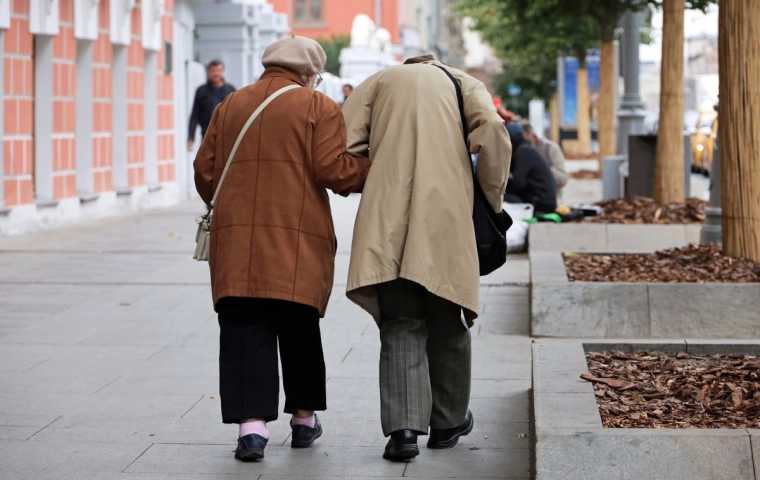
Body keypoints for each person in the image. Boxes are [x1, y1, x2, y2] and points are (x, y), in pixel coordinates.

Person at [193, 36, 371, 462]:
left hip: (236, 243)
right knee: (299, 326)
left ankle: (252, 430)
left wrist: (234, 201)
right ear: (311, 74)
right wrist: (373, 165)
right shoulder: (318, 106)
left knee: (243, 330)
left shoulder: (230, 104)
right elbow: (335, 171)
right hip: (297, 238)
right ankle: (304, 420)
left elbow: (205, 172)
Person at [342, 54, 511, 460]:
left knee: (401, 322)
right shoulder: (464, 83)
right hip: (446, 215)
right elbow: (492, 131)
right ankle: (448, 423)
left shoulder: (378, 82)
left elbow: (345, 143)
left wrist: (383, 165)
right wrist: (491, 195)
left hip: (388, 217)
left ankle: (403, 431)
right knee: (448, 317)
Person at [503, 122, 557, 214]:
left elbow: (518, 185)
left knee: (499, 199)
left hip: (541, 204)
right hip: (545, 202)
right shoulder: (527, 149)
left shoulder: (523, 152)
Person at [187, 60, 237, 151]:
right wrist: (191, 137)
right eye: (213, 71)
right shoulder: (201, 91)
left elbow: (237, 114)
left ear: (223, 72)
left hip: (227, 133)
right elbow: (195, 115)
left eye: (218, 70)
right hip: (207, 133)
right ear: (208, 72)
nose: (216, 73)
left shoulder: (231, 90)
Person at [519, 120, 568, 201]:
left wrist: (541, 168)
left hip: (551, 200)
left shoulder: (551, 148)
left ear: (534, 137)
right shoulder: (517, 151)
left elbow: (563, 179)